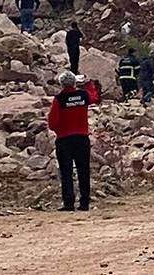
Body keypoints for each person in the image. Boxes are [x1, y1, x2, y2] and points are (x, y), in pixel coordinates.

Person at [47, 71, 99, 211]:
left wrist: (60, 129)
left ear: (61, 84)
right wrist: (88, 84)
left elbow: (52, 123)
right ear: (75, 82)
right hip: (82, 138)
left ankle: (68, 203)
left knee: (66, 172)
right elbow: (94, 97)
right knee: (83, 171)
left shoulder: (59, 99)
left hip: (64, 139)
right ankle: (84, 203)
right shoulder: (83, 95)